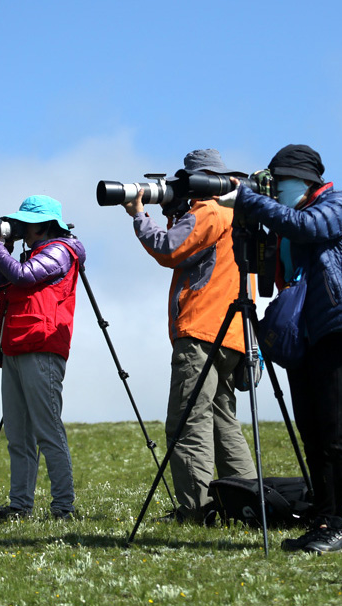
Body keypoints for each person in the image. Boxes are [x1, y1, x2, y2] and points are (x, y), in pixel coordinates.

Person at [227, 144, 342, 553]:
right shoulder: (287, 221)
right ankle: (325, 520)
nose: (279, 189)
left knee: (336, 433)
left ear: (305, 180)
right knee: (312, 433)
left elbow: (306, 227)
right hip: (302, 337)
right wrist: (249, 220)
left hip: (337, 329)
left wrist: (250, 198)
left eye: (283, 181)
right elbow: (270, 280)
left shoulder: (339, 203)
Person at [122, 149, 257, 524]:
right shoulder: (237, 213)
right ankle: (248, 505)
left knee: (188, 421)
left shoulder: (209, 211)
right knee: (221, 420)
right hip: (232, 336)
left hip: (201, 331)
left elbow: (170, 248)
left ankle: (194, 511)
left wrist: (139, 216)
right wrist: (176, 214)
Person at [0, 195, 86, 522]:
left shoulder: (59, 251)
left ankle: (63, 508)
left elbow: (25, 277)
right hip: (14, 345)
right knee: (18, 434)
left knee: (47, 430)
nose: (21, 226)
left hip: (41, 346)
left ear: (42, 225)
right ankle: (20, 506)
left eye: (25, 221)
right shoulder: (34, 253)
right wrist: (1, 251)